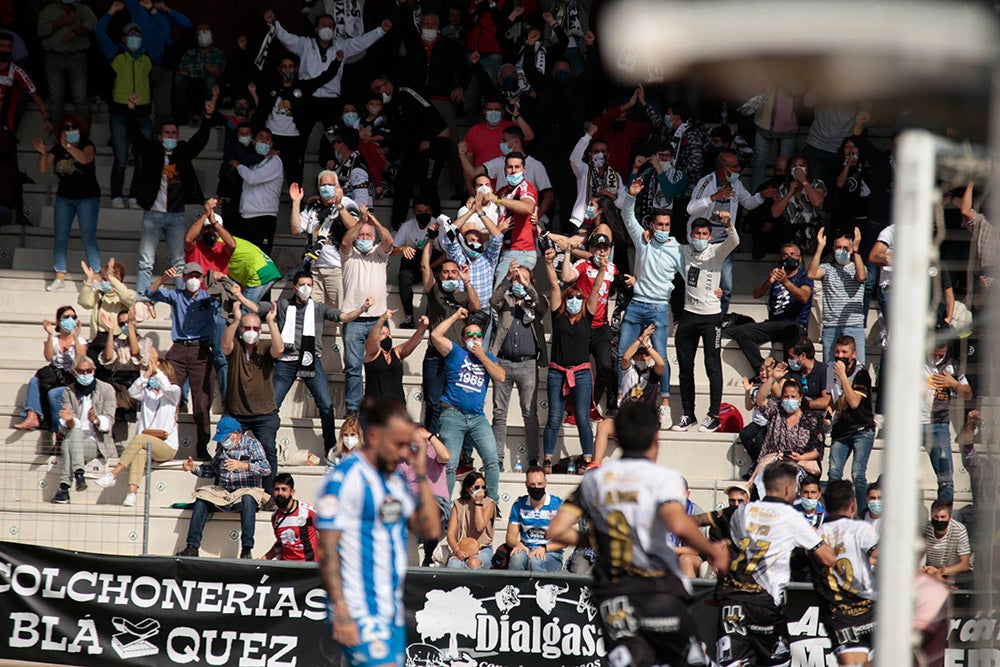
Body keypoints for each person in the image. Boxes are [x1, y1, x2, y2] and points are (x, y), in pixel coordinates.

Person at [546, 401, 730, 667]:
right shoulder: (662, 477)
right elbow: (678, 524)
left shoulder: (594, 480)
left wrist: (600, 540)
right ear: (656, 436)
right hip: (656, 589)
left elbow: (557, 530)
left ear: (617, 436)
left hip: (612, 592)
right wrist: (713, 550)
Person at [317, 397, 440, 667]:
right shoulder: (345, 479)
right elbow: (326, 551)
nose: (404, 452)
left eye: (407, 445)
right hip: (359, 608)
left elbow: (430, 529)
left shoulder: (395, 481)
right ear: (374, 436)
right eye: (398, 444)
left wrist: (420, 471)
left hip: (389, 610)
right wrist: (341, 610)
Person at [710, 461, 836, 667]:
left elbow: (700, 520)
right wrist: (817, 538)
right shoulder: (791, 518)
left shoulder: (743, 511)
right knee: (777, 662)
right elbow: (828, 559)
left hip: (734, 601)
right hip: (765, 604)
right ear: (788, 488)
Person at [249, 271, 371, 456]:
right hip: (286, 361)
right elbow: (257, 308)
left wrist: (362, 309)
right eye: (303, 284)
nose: (307, 288)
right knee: (271, 405)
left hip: (311, 361)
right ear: (295, 287)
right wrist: (239, 296)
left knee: (326, 405)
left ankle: (330, 449)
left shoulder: (319, 308)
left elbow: (344, 317)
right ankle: (265, 448)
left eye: (310, 284)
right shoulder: (282, 305)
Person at [133, 104, 217, 299]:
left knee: (179, 261)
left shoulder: (183, 152)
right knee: (146, 261)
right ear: (160, 136)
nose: (170, 136)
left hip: (176, 215)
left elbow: (201, 139)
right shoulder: (152, 151)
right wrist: (133, 111)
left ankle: (183, 298)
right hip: (152, 214)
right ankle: (142, 298)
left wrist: (208, 116)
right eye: (167, 133)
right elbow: (135, 137)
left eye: (173, 133)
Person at [620, 177, 684, 428]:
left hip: (658, 307)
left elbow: (690, 274)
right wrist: (631, 195)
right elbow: (627, 215)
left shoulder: (676, 248)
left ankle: (664, 405)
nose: (663, 228)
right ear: (652, 225)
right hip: (636, 304)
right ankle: (620, 399)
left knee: (662, 358)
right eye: (659, 224)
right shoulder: (642, 240)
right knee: (621, 355)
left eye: (667, 225)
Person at [264, 9, 392, 133]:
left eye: (331, 25)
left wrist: (381, 31)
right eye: (323, 25)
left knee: (334, 136)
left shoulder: (341, 46)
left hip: (331, 99)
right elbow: (286, 38)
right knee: (302, 133)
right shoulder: (305, 45)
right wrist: (274, 23)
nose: (327, 28)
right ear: (316, 29)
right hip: (308, 98)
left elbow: (361, 42)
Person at [688, 150, 777, 314]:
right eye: (735, 166)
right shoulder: (707, 183)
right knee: (699, 283)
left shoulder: (735, 184)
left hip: (723, 242)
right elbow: (691, 208)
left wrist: (762, 195)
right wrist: (713, 198)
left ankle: (721, 320)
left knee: (726, 286)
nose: (739, 169)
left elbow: (749, 203)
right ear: (724, 168)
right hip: (702, 242)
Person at [429, 307, 504, 500]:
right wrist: (455, 316)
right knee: (450, 464)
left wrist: (481, 356)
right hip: (452, 415)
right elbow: (436, 335)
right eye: (469, 335)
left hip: (477, 417)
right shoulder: (456, 352)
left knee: (492, 460)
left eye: (478, 335)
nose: (474, 338)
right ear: (463, 339)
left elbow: (500, 376)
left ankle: (492, 503)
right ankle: (444, 505)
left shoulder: (488, 358)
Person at [673, 212, 738, 432]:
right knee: (684, 367)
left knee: (712, 366)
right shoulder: (684, 250)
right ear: (690, 235)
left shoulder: (716, 252)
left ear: (710, 236)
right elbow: (663, 243)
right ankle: (688, 414)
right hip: (688, 315)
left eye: (704, 234)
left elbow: (734, 240)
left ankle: (713, 416)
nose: (700, 237)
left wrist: (728, 223)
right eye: (697, 233)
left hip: (711, 316)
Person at [542, 247, 605, 471]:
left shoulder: (587, 316)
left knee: (582, 417)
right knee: (554, 417)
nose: (575, 300)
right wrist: (549, 264)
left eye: (579, 297)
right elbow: (552, 286)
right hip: (557, 372)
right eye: (571, 296)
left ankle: (587, 459)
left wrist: (602, 271)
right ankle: (547, 459)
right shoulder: (558, 313)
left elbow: (596, 290)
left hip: (581, 372)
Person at [146, 262, 217, 460]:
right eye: (190, 275)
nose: (194, 279)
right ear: (184, 278)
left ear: (202, 279)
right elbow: (149, 293)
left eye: (198, 276)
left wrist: (220, 280)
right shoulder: (176, 295)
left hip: (201, 349)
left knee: (202, 402)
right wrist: (163, 279)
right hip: (178, 349)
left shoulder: (211, 296)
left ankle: (202, 447)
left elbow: (232, 299)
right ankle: (163, 446)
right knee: (168, 398)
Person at [176, 416, 271, 559]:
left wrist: (244, 466)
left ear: (236, 434)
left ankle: (246, 549)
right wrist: (194, 468)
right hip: (224, 492)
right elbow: (212, 470)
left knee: (249, 499)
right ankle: (192, 546)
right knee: (201, 498)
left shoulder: (252, 445)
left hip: (246, 489)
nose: (223, 442)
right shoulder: (222, 449)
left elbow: (266, 469)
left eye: (225, 437)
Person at [94, 350, 180, 506]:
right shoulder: (148, 393)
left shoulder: (174, 392)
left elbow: (167, 388)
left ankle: (114, 474)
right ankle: (131, 494)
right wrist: (147, 374)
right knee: (140, 451)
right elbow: (133, 392)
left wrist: (157, 370)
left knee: (140, 439)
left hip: (166, 446)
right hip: (146, 444)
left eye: (156, 374)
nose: (154, 377)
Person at [561, 232, 630, 414]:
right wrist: (568, 251)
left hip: (601, 326)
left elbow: (620, 286)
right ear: (590, 249)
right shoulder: (583, 264)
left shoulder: (612, 268)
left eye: (604, 248)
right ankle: (572, 409)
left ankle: (591, 405)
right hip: (582, 325)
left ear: (609, 250)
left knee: (606, 366)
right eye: (597, 247)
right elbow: (567, 277)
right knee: (575, 369)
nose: (601, 251)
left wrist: (634, 280)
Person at [369, 74, 450, 228]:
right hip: (414, 147)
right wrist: (390, 158)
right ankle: (396, 227)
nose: (378, 93)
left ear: (388, 84)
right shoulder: (389, 108)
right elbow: (399, 137)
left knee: (427, 185)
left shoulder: (405, 93)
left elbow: (428, 110)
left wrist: (426, 138)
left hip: (434, 142)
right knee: (402, 184)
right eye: (374, 91)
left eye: (379, 88)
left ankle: (440, 227)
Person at [813, 480, 879, 667]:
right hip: (871, 610)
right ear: (853, 505)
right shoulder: (860, 529)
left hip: (839, 615)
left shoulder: (816, 536)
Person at [32, 114, 100, 292]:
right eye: (66, 128)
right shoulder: (58, 148)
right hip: (65, 198)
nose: (70, 131)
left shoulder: (87, 144)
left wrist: (68, 146)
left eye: (73, 127)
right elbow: (43, 168)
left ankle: (96, 276)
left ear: (80, 129)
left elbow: (85, 159)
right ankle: (59, 276)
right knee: (61, 236)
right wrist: (44, 153)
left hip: (88, 197)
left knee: (88, 237)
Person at [420, 231, 480, 433]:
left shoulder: (463, 295)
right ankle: (430, 445)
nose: (449, 275)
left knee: (460, 405)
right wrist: (430, 240)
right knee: (433, 403)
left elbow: (476, 306)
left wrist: (467, 281)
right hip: (435, 356)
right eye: (445, 272)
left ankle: (463, 454)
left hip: (458, 357)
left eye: (453, 272)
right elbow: (424, 267)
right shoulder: (435, 291)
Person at [221, 301, 283, 495]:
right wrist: (236, 320)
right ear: (241, 330)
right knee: (223, 447)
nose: (251, 331)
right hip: (236, 412)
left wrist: (271, 323)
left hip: (264, 413)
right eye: (247, 328)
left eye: (255, 328)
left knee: (268, 451)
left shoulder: (264, 346)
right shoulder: (236, 347)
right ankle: (223, 489)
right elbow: (224, 345)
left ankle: (269, 493)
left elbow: (279, 349)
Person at [724, 242, 813, 377]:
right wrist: (769, 282)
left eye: (792, 255)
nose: (788, 257)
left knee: (792, 332)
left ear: (799, 259)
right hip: (773, 324)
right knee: (741, 332)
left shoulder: (804, 276)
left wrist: (785, 282)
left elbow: (804, 297)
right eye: (785, 255)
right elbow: (756, 294)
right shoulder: (776, 274)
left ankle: (789, 377)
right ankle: (762, 369)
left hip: (794, 325)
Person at [489, 261, 547, 468]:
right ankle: (497, 459)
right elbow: (493, 301)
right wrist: (507, 280)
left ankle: (532, 458)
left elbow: (542, 306)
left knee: (529, 412)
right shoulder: (506, 299)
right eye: (516, 278)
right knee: (499, 412)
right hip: (503, 362)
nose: (518, 282)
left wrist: (526, 285)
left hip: (527, 364)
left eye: (522, 278)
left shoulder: (536, 300)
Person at [95, 4, 153, 210]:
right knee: (120, 158)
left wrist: (148, 10)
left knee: (141, 159)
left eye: (138, 34)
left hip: (143, 113)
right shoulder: (116, 55)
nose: (134, 37)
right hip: (120, 112)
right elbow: (98, 32)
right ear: (124, 39)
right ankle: (117, 195)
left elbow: (160, 32)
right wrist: (111, 11)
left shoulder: (148, 58)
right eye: (130, 34)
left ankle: (135, 196)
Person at [341, 208, 394, 417]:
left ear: (374, 238)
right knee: (353, 367)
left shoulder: (379, 254)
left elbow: (389, 242)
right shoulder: (349, 255)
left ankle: (379, 404)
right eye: (361, 235)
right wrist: (359, 223)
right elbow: (346, 243)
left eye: (368, 235)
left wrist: (374, 222)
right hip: (353, 319)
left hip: (378, 320)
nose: (364, 238)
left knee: (381, 365)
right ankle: (353, 408)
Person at [590, 326, 666, 467]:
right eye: (639, 353)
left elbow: (661, 363)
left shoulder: (653, 373)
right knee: (604, 425)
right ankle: (596, 463)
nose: (642, 356)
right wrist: (639, 340)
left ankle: (649, 466)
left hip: (645, 419)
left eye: (645, 354)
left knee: (651, 434)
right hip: (626, 417)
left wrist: (647, 345)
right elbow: (625, 357)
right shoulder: (629, 370)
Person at [50, 356, 117, 504]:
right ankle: (77, 476)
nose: (85, 374)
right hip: (76, 437)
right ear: (74, 373)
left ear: (94, 371)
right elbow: (73, 424)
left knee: (68, 444)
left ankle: (65, 487)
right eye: (81, 371)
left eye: (88, 371)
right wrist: (69, 420)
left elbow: (109, 422)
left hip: (96, 441)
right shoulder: (69, 391)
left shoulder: (106, 389)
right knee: (73, 435)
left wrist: (95, 419)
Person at [290, 173, 359, 308]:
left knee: (340, 311)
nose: (326, 188)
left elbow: (355, 228)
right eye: (323, 185)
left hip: (338, 267)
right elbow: (295, 229)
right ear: (318, 187)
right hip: (315, 268)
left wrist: (339, 206)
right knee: (314, 311)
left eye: (330, 184)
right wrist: (296, 203)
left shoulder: (347, 203)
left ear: (337, 186)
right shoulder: (313, 206)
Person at [15, 306, 88, 431]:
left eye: (73, 317)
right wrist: (50, 335)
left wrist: (75, 337)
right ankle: (32, 415)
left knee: (53, 394)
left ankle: (58, 428)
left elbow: (81, 359)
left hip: (71, 378)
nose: (70, 320)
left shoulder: (80, 340)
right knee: (34, 381)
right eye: (66, 317)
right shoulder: (53, 340)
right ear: (59, 320)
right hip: (55, 375)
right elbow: (48, 357)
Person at [826, 335, 877, 516]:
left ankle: (862, 514)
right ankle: (833, 511)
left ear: (853, 354)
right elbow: (832, 398)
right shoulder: (830, 370)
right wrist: (827, 416)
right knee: (833, 472)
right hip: (841, 429)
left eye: (844, 352)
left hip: (862, 429)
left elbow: (854, 402)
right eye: (837, 352)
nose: (840, 356)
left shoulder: (861, 374)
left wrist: (843, 377)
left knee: (858, 475)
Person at [750, 369, 825, 487]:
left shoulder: (812, 418)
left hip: (799, 464)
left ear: (800, 398)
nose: (789, 399)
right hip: (774, 463)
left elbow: (817, 449)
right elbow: (760, 400)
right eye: (786, 396)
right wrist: (772, 378)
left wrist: (800, 457)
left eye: (793, 396)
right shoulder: (776, 411)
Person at [807, 228, 868, 366]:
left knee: (858, 368)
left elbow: (862, 276)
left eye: (846, 247)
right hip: (831, 326)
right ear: (833, 249)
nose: (842, 251)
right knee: (830, 370)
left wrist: (857, 250)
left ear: (851, 249)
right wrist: (820, 247)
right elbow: (811, 274)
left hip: (854, 325)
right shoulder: (827, 268)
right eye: (838, 247)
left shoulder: (858, 266)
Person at [922, 340, 971, 503]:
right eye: (934, 353)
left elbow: (968, 394)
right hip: (912, 424)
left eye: (940, 354)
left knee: (946, 479)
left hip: (938, 424)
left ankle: (943, 520)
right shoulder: (915, 359)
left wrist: (954, 384)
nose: (937, 357)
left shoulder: (953, 366)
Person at [397, 426, 453, 566]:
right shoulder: (403, 460)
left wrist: (429, 436)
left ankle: (428, 556)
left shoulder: (433, 453)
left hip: (437, 501)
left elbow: (446, 456)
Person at [37, 0, 97, 127]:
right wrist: (60, 22)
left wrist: (76, 31)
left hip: (77, 58)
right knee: (56, 99)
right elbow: (41, 31)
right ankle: (59, 139)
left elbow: (93, 22)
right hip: (54, 58)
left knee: (80, 99)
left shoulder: (82, 9)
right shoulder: (48, 10)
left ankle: (84, 139)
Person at [484, 151, 541, 283]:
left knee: (500, 295)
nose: (513, 170)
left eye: (517, 167)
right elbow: (488, 201)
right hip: (505, 250)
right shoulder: (503, 191)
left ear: (524, 170)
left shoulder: (526, 187)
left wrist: (497, 200)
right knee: (506, 297)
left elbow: (527, 207)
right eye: (510, 167)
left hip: (521, 250)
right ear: (505, 170)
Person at [231, 128, 284, 256]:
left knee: (260, 258)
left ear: (271, 143)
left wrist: (238, 166)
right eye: (261, 137)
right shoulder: (252, 163)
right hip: (246, 216)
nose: (264, 141)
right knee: (245, 259)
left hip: (264, 217)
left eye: (268, 138)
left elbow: (253, 178)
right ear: (254, 142)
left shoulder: (275, 161)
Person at [506, 465, 566, 572]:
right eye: (532, 484)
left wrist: (544, 548)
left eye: (540, 484)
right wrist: (518, 544)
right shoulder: (519, 504)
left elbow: (564, 541)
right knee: (517, 559)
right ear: (526, 485)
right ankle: (514, 587)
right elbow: (510, 537)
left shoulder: (557, 504)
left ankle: (540, 588)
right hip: (526, 548)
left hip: (550, 551)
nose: (536, 487)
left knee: (535, 561)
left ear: (546, 483)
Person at [569, 125, 626, 230]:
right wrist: (588, 135)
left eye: (603, 151)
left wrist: (611, 196)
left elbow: (624, 203)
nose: (600, 154)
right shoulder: (584, 170)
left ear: (608, 155)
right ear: (590, 155)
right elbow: (574, 159)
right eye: (596, 151)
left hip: (607, 222)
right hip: (584, 221)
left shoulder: (615, 176)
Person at [363, 311, 428, 403]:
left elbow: (412, 342)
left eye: (388, 333)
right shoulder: (372, 354)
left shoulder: (396, 353)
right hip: (375, 407)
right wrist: (382, 319)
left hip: (397, 407)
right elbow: (372, 339)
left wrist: (422, 328)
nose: (387, 336)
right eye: (383, 334)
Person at [78, 258, 136, 359]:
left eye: (109, 279)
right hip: (98, 339)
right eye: (104, 279)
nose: (107, 282)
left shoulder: (128, 294)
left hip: (118, 341)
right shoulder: (99, 295)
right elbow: (84, 302)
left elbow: (126, 297)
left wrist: (112, 279)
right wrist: (89, 280)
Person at [771, 155, 827, 253]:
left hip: (812, 234)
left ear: (807, 169)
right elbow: (775, 213)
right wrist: (789, 193)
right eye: (794, 166)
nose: (798, 169)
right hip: (791, 235)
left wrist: (804, 182)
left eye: (801, 165)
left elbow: (817, 202)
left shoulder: (817, 183)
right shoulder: (784, 187)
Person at [174, 24, 226, 125]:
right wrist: (205, 66)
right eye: (201, 32)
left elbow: (216, 71)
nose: (204, 34)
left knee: (210, 80)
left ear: (211, 35)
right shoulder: (190, 52)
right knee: (179, 78)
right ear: (196, 36)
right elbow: (182, 68)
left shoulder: (218, 54)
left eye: (206, 32)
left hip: (210, 87)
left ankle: (210, 113)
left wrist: (191, 70)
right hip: (191, 86)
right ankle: (182, 116)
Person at [263, 473, 320, 561]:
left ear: (292, 492)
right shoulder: (275, 517)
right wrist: (264, 559)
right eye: (276, 489)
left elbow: (328, 533)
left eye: (284, 489)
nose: (280, 493)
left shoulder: (308, 512)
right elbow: (281, 543)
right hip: (287, 568)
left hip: (308, 568)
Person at [446, 471, 496, 569]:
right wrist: (457, 551)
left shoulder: (489, 504)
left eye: (483, 487)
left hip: (483, 549)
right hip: (462, 547)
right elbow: (450, 534)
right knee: (454, 565)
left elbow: (479, 527)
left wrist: (478, 502)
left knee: (473, 563)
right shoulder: (458, 504)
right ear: (468, 489)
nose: (481, 491)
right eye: (477, 488)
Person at [922, 500, 972, 583]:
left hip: (952, 571)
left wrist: (940, 571)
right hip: (930, 571)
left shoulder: (959, 530)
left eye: (943, 517)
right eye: (936, 517)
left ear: (949, 517)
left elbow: (965, 564)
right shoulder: (926, 529)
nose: (939, 520)